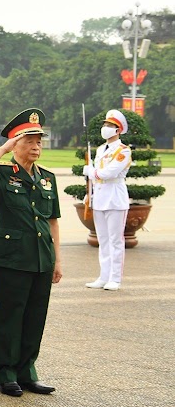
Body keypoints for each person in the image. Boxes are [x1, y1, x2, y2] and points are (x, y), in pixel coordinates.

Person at [0, 109, 62, 397]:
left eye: (39, 141)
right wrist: (3, 149)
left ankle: (27, 372)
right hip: (12, 259)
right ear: (15, 144)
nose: (37, 146)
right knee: (11, 317)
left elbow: (52, 221)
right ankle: (6, 373)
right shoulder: (0, 174)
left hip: (41, 259)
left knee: (36, 317)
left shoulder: (47, 178)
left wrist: (57, 259)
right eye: (30, 141)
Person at [83, 109, 132, 292]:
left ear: (118, 130)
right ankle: (103, 276)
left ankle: (115, 278)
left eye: (110, 126)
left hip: (115, 198)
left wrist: (91, 171)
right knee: (103, 240)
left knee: (115, 240)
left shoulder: (123, 151)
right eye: (105, 125)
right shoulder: (100, 149)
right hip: (101, 197)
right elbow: (97, 178)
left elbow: (108, 173)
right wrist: (90, 192)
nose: (105, 128)